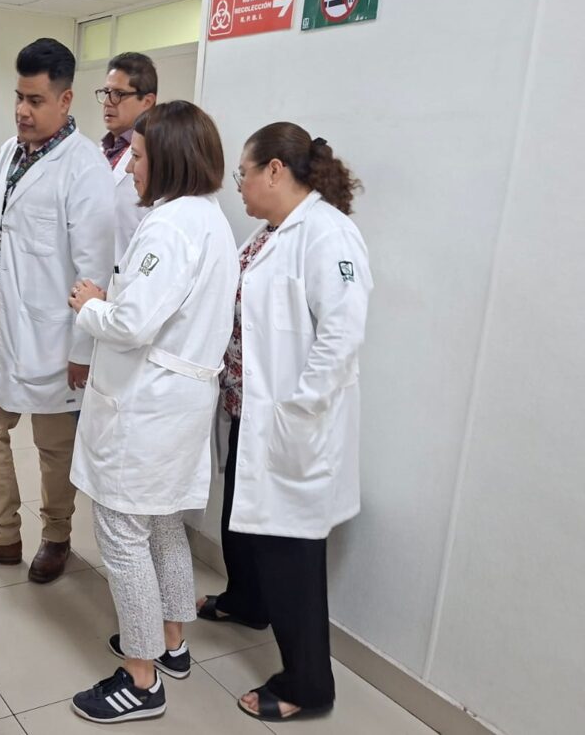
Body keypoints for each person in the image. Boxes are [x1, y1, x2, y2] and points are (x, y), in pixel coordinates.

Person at [65, 101, 239, 723]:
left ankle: (141, 680)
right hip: (181, 403)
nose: (131, 167)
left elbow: (133, 323)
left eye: (138, 156)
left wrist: (90, 304)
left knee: (122, 532)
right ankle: (172, 644)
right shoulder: (211, 219)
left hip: (149, 405)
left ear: (169, 159)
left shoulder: (168, 227)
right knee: (163, 523)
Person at [195, 122, 372, 722]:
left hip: (290, 424)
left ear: (274, 170)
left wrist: (294, 411)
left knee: (290, 553)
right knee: (240, 522)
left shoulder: (327, 234)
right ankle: (247, 601)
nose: (238, 185)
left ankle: (309, 684)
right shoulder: (270, 232)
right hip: (249, 411)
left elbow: (341, 336)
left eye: (243, 173)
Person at [0, 38, 115, 583]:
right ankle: (1, 534)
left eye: (35, 100)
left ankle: (56, 536)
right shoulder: (9, 154)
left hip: (58, 334)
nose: (22, 110)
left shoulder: (84, 169)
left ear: (65, 100)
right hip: (3, 322)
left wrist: (83, 350)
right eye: (19, 96)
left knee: (53, 445)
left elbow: (94, 270)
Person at [95, 52, 157, 261]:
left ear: (147, 101)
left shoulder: (157, 158)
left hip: (134, 272)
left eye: (118, 94)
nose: (108, 102)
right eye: (106, 92)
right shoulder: (99, 151)